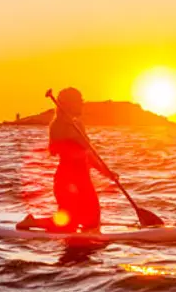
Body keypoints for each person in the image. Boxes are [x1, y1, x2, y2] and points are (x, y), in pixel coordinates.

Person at [17, 88, 116, 232]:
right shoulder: (57, 126)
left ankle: (74, 223)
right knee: (69, 224)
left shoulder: (79, 124)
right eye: (79, 101)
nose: (82, 104)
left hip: (84, 180)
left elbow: (89, 154)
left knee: (93, 224)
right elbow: (53, 151)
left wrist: (106, 172)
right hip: (66, 180)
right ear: (69, 104)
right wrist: (70, 136)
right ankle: (32, 221)